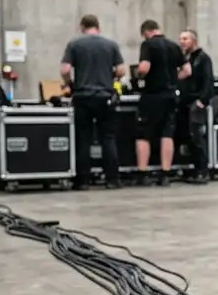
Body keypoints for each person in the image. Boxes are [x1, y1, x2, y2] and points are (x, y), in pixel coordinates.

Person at [61, 14, 127, 189]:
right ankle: (112, 179)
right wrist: (110, 78)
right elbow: (121, 70)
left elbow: (65, 69)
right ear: (98, 27)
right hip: (105, 96)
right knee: (108, 138)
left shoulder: (74, 44)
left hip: (83, 97)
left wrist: (70, 84)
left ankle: (83, 181)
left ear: (83, 27)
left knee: (83, 138)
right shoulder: (110, 45)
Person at [134, 19, 190, 185]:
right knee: (167, 133)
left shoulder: (148, 45)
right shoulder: (174, 46)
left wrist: (138, 75)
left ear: (147, 32)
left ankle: (142, 174)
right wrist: (173, 80)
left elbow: (144, 68)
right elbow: (187, 71)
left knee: (143, 134)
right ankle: (165, 173)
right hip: (171, 94)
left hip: (152, 94)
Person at [175, 29, 214, 184]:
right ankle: (194, 168)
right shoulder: (186, 60)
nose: (182, 42)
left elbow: (208, 82)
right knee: (187, 137)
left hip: (196, 103)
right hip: (184, 103)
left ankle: (203, 171)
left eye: (185, 39)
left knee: (197, 136)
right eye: (180, 39)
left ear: (194, 41)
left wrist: (202, 101)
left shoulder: (203, 59)